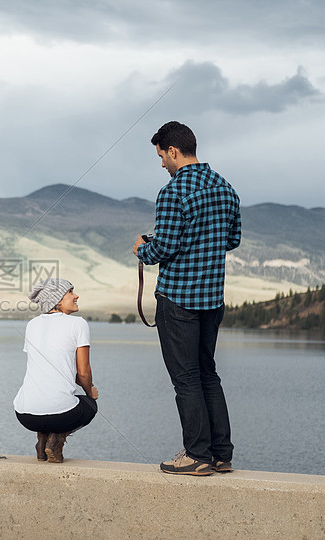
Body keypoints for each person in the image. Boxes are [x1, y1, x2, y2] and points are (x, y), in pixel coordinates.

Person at [133, 121, 241, 476]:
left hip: (178, 299)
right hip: (212, 300)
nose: (162, 163)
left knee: (186, 379)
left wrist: (142, 249)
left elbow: (163, 247)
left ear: (174, 151)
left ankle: (196, 455)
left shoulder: (173, 191)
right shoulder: (225, 187)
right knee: (208, 373)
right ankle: (221, 454)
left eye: (162, 156)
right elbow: (232, 239)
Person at [13, 278, 98, 463]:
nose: (76, 296)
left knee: (52, 407)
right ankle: (57, 439)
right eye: (70, 292)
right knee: (91, 405)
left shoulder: (32, 325)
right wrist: (90, 391)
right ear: (57, 300)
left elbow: (47, 365)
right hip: (61, 415)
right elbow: (83, 372)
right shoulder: (78, 324)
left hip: (24, 414)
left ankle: (42, 440)